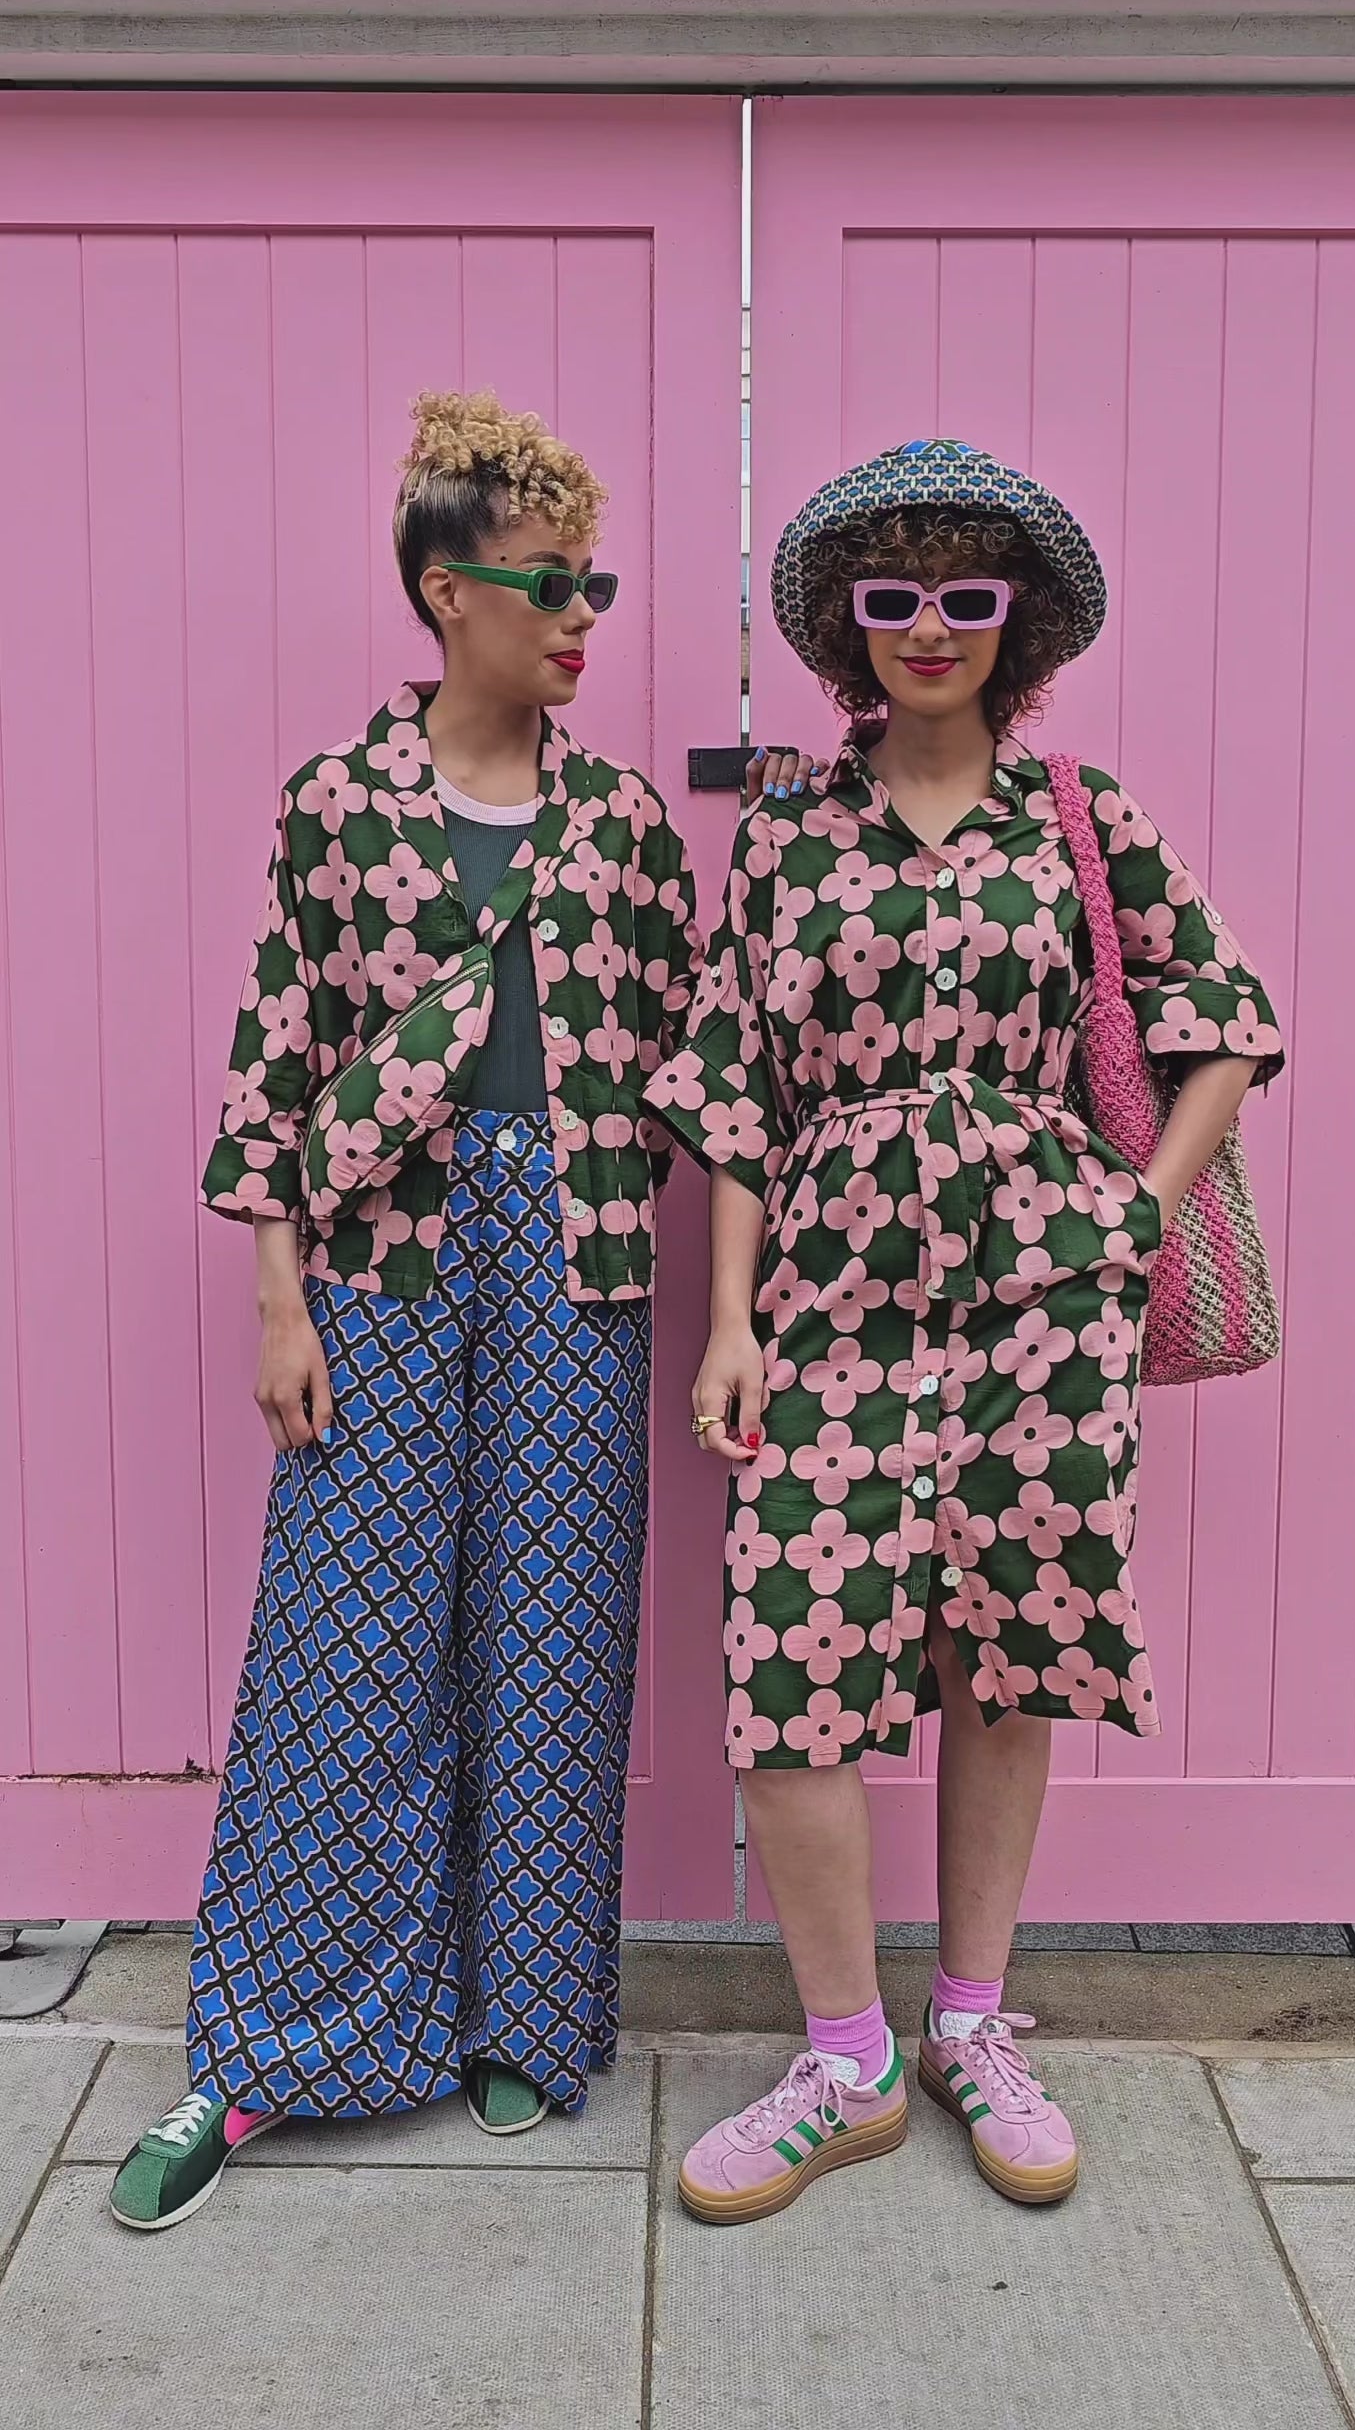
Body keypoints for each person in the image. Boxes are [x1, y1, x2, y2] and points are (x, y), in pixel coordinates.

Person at [110, 389, 814, 2230]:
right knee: (343, 1653)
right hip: (383, 1265)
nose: (583, 614)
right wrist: (278, 1302)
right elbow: (276, 1067)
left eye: (594, 581)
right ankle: (263, 2049)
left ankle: (529, 2017)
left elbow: (709, 1067)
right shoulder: (333, 810)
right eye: (548, 581)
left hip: (581, 1261)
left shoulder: (627, 829)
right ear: (447, 592)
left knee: (555, 1642)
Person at [645, 438, 1284, 2225]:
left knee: (1011, 1649)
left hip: (1043, 1298)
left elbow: (1225, 1013)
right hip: (828, 1291)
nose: (930, 625)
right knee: (793, 1662)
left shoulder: (1082, 816)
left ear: (1023, 620)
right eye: (894, 595)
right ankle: (845, 2061)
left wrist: (1137, 1211)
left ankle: (974, 2030)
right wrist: (728, 1324)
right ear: (850, 626)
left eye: (967, 593)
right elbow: (738, 1088)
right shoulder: (787, 834)